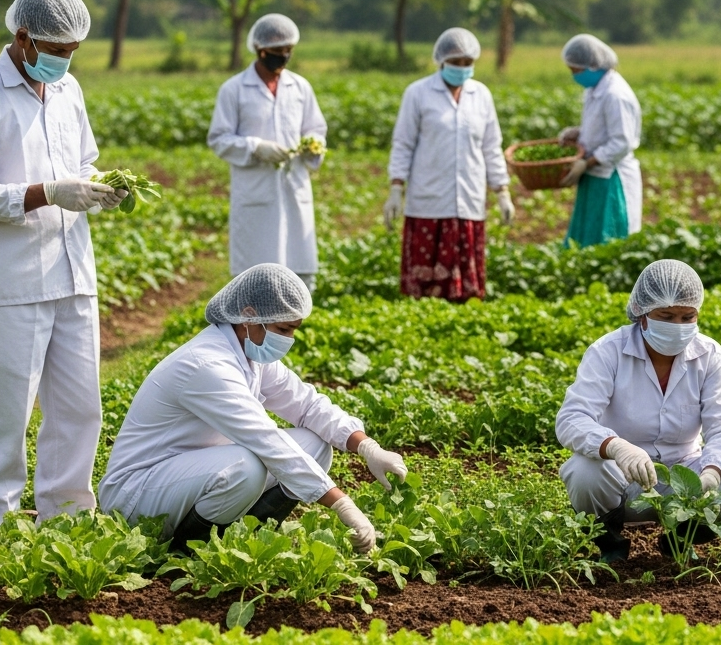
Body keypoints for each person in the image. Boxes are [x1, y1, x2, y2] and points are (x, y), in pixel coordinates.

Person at [0, 0, 127, 525]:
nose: (65, 62)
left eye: (72, 53)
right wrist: (46, 192)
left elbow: (85, 160)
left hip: (73, 271)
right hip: (15, 279)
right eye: (57, 51)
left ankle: (67, 514)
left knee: (79, 408)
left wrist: (100, 186)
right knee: (5, 412)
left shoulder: (69, 91)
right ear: (23, 38)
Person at [99, 264, 406, 550]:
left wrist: (367, 448)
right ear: (248, 317)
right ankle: (187, 550)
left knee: (314, 445)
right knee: (245, 468)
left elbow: (307, 405)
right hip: (137, 493)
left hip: (190, 472)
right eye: (284, 329)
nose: (289, 339)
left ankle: (245, 538)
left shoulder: (250, 354)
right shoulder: (206, 365)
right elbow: (266, 440)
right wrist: (341, 503)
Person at [556, 260, 721, 562]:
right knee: (584, 472)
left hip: (683, 474)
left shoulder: (710, 356)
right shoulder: (608, 351)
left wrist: (712, 470)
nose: (677, 327)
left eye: (686, 317)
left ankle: (680, 540)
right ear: (642, 314)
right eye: (665, 316)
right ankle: (610, 545)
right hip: (622, 473)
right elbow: (572, 418)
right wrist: (615, 447)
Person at [383, 28, 513, 302]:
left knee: (465, 285)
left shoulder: (481, 95)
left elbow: (491, 146)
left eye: (468, 64)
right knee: (425, 278)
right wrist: (396, 187)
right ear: (441, 61)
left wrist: (502, 191)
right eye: (456, 63)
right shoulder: (418, 93)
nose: (462, 69)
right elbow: (403, 143)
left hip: (469, 198)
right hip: (428, 199)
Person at [208, 14, 327, 292]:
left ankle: (293, 325)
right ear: (261, 51)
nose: (284, 58)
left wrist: (312, 144)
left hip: (294, 185)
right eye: (277, 52)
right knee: (256, 276)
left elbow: (316, 127)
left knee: (299, 271)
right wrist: (255, 147)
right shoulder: (234, 89)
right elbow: (218, 139)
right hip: (255, 192)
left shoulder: (300, 87)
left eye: (288, 52)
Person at [556, 34, 643, 247]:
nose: (574, 75)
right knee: (587, 238)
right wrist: (578, 133)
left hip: (612, 177)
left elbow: (621, 142)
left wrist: (587, 162)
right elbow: (601, 128)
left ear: (593, 65)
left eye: (576, 70)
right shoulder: (594, 89)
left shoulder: (615, 95)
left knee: (610, 238)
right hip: (594, 176)